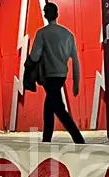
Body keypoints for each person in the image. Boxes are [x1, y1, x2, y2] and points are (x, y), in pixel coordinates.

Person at [29, 2, 85, 144]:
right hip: (61, 75)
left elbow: (35, 56)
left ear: (45, 15)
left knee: (51, 106)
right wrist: (76, 83)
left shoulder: (42, 33)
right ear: (57, 14)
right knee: (57, 106)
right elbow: (75, 61)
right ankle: (76, 139)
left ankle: (48, 141)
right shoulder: (68, 34)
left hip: (48, 75)